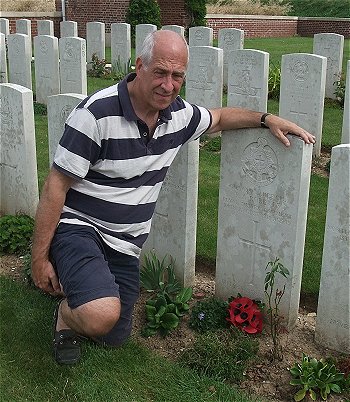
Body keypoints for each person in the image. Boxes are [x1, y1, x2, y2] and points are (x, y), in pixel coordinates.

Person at [31, 30, 315, 365]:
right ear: (139, 66)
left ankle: (82, 286)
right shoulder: (95, 114)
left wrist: (267, 119)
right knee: (99, 316)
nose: (168, 85)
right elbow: (55, 186)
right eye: (160, 73)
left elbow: (220, 117)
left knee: (113, 335)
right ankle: (66, 314)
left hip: (125, 243)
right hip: (81, 227)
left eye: (177, 75)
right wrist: (39, 260)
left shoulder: (178, 117)